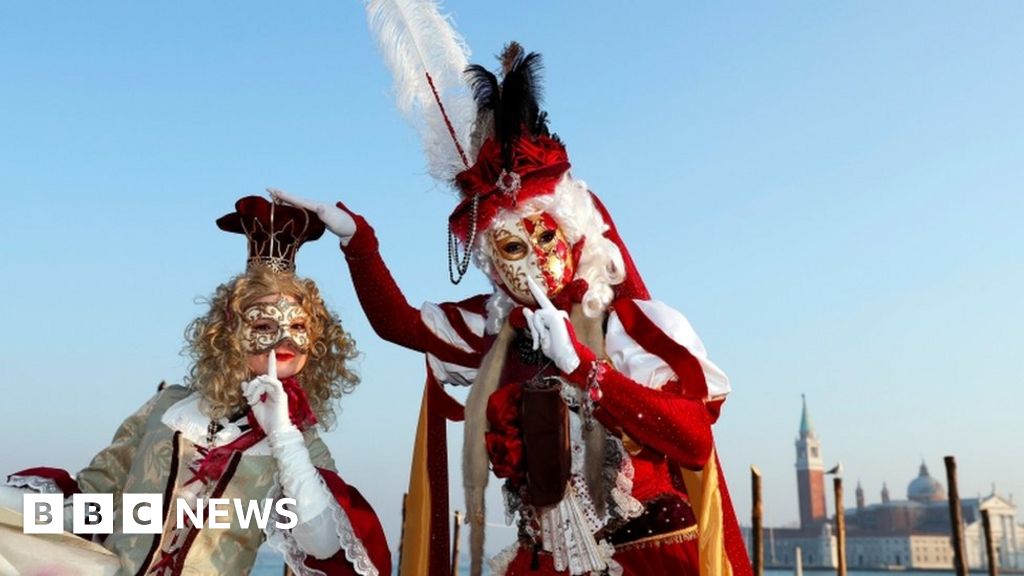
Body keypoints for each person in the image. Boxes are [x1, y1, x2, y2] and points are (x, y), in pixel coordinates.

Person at [274, 43, 752, 576]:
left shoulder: (634, 328)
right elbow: (399, 324)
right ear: (492, 262)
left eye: (546, 234)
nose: (535, 259)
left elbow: (694, 439)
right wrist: (358, 242)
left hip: (652, 561)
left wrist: (585, 368)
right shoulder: (496, 331)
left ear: (574, 235)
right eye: (512, 246)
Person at [0, 196, 390, 576]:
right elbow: (94, 503)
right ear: (229, 334)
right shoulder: (167, 409)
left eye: (299, 327)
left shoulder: (302, 447)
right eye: (264, 325)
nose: (283, 340)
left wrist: (283, 436)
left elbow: (322, 547)